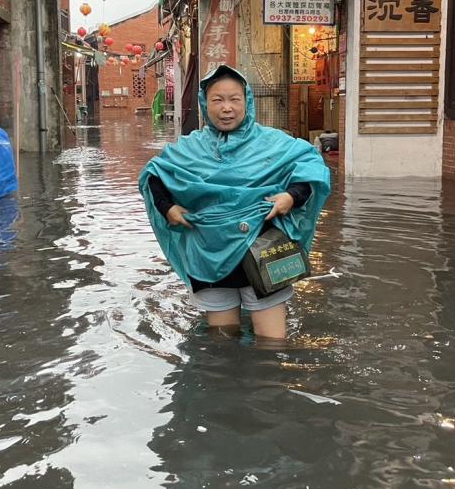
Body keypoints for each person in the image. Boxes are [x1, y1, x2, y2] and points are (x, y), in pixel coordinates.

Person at [140, 65, 331, 341]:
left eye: (234, 99)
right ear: (206, 104)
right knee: (222, 342)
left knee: (272, 341)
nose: (226, 108)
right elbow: (154, 174)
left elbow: (312, 168)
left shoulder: (275, 144)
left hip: (264, 248)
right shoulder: (189, 148)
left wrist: (291, 196)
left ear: (247, 101)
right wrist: (166, 207)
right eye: (217, 100)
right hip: (209, 251)